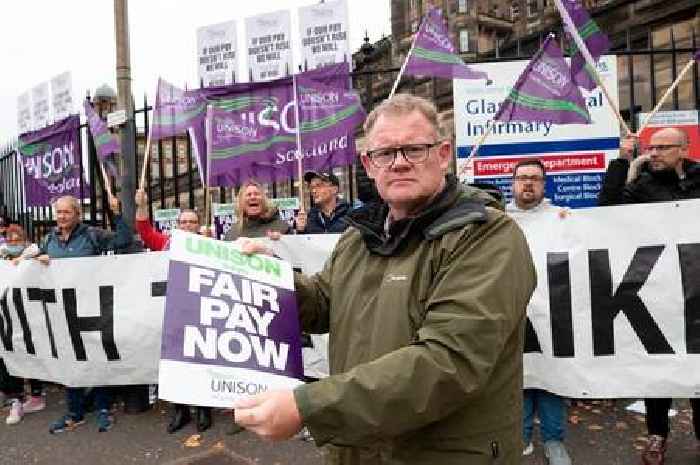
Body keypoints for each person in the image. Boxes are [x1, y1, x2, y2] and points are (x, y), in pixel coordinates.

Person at [233, 94, 537, 465]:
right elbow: (325, 302)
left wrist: (308, 406)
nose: (399, 163)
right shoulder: (359, 236)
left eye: (414, 149)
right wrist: (273, 277)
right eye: (385, 153)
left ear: (443, 155)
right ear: (368, 164)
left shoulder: (487, 236)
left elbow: (448, 363)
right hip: (357, 451)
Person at [598, 128, 700, 465]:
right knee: (659, 365)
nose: (653, 153)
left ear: (682, 150)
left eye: (662, 148)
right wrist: (621, 159)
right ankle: (657, 434)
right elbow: (607, 209)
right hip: (659, 290)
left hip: (697, 288)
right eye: (650, 147)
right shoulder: (642, 187)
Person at [37, 194, 132, 434]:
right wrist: (37, 259)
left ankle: (103, 408)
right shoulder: (48, 240)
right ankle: (74, 412)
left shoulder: (92, 235)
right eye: (58, 212)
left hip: (90, 308)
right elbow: (33, 263)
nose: (62, 216)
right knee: (70, 361)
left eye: (67, 212)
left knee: (96, 357)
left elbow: (124, 240)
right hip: (62, 311)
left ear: (77, 214)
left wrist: (117, 213)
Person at [506, 159, 573, 465]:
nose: (528, 184)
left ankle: (553, 440)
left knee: (550, 376)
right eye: (523, 178)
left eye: (535, 178)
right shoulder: (499, 220)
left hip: (552, 310)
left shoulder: (562, 217)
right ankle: (518, 438)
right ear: (513, 183)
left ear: (544, 185)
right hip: (513, 309)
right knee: (518, 375)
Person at [134, 188, 214, 433]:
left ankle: (203, 408)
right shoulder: (166, 242)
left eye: (192, 222)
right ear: (176, 225)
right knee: (175, 362)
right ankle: (181, 410)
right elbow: (144, 231)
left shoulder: (209, 244)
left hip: (201, 310)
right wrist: (142, 205)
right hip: (174, 312)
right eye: (183, 222)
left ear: (199, 225)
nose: (188, 225)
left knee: (202, 360)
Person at [0, 224, 44, 425]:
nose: (14, 243)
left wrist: (26, 259)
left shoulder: (32, 251)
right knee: (8, 354)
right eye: (11, 240)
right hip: (7, 314)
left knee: (30, 352)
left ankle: (35, 395)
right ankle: (15, 398)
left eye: (18, 239)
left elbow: (40, 257)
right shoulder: (2, 255)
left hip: (27, 314)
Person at [223, 180, 290, 241]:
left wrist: (300, 230)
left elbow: (295, 250)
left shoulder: (281, 227)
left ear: (264, 200)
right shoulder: (231, 234)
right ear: (241, 203)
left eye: (256, 194)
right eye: (248, 195)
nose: (253, 197)